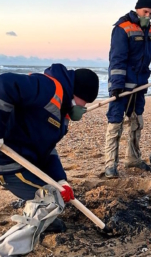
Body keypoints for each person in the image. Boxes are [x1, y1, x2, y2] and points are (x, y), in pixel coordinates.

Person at [0, 64, 99, 254]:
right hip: (8, 162)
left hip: (25, 164)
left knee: (55, 194)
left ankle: (41, 220)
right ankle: (6, 250)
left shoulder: (62, 116)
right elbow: (4, 85)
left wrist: (61, 180)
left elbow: (48, 151)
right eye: (83, 101)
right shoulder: (47, 88)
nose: (83, 107)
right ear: (76, 92)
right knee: (51, 201)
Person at [105, 0, 151, 178]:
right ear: (138, 9)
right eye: (146, 12)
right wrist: (117, 86)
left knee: (136, 121)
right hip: (122, 86)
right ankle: (110, 164)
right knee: (115, 122)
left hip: (140, 85)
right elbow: (117, 59)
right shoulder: (122, 28)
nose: (148, 16)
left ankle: (133, 158)